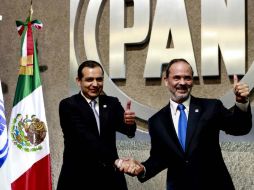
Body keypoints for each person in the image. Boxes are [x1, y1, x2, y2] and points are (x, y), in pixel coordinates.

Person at [115, 58, 252, 190]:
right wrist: (142, 168)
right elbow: (159, 158)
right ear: (166, 81)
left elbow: (240, 128)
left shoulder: (211, 107)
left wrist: (241, 101)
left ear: (192, 81)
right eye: (177, 77)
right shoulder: (157, 121)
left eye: (187, 78)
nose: (182, 82)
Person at [57, 60, 137, 190]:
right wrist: (116, 161)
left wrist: (130, 123)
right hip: (78, 179)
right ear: (79, 81)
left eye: (99, 79)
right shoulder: (68, 105)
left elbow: (128, 131)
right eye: (89, 79)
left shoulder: (112, 103)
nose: (95, 84)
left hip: (110, 179)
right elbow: (85, 138)